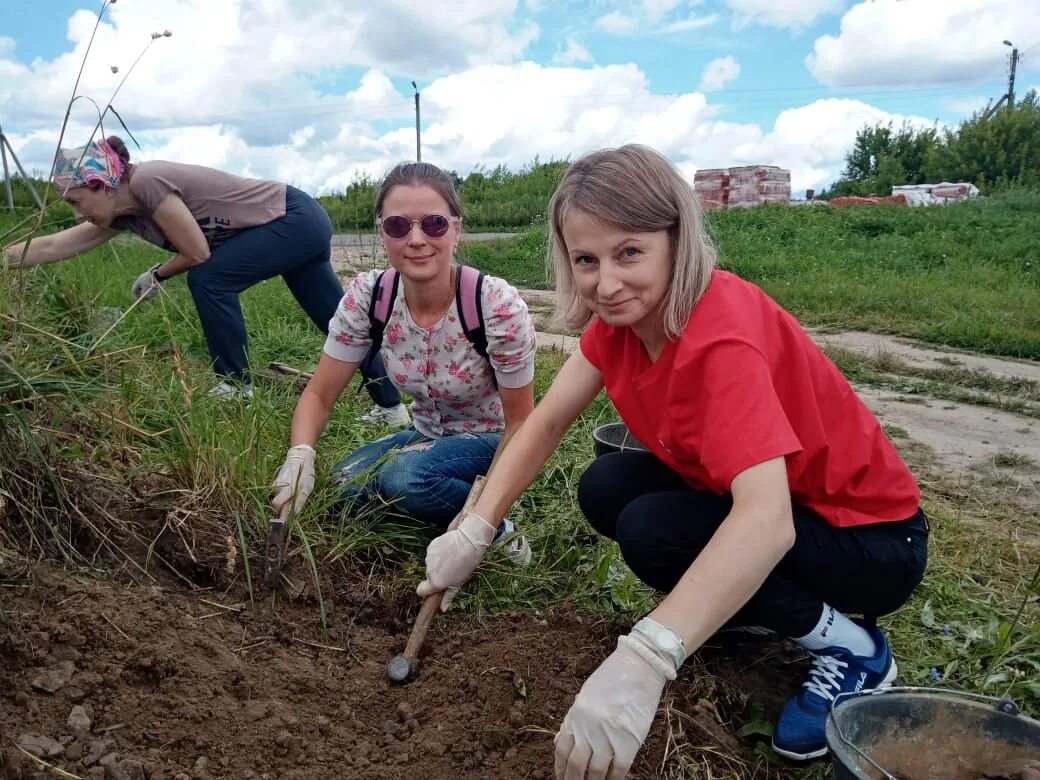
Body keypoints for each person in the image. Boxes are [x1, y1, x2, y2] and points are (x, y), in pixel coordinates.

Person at [415, 145, 928, 777]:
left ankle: (854, 649)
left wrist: (650, 655)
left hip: (869, 541)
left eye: (630, 252)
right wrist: (477, 526)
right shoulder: (624, 322)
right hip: (796, 513)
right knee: (608, 486)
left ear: (676, 240)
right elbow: (545, 422)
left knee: (654, 529)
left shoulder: (721, 338)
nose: (606, 282)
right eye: (586, 259)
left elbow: (767, 523)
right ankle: (742, 613)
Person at [4, 135, 408, 419]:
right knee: (338, 323)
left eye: (77, 200)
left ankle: (234, 385)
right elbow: (54, 246)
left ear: (102, 184)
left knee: (209, 278)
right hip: (298, 221)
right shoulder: (124, 214)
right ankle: (392, 409)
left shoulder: (147, 182)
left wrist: (156, 274)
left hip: (294, 216)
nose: (77, 213)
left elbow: (197, 252)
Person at [270, 161, 537, 546]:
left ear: (456, 230)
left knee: (403, 477)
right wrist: (300, 455)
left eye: (434, 224)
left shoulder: (493, 305)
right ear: (382, 233)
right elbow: (319, 394)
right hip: (425, 433)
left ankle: (498, 531)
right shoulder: (370, 297)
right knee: (343, 487)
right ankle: (436, 512)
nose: (416, 239)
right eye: (398, 225)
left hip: (492, 439)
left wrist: (485, 511)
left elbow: (521, 425)